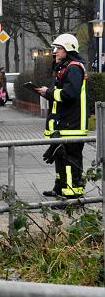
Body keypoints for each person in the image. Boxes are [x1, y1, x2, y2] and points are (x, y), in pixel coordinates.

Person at [37, 33, 88, 199]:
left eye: (59, 48)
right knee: (60, 158)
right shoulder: (67, 67)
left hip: (72, 125)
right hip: (65, 124)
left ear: (68, 49)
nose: (55, 52)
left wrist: (50, 92)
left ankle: (72, 193)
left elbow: (70, 94)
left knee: (70, 161)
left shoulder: (74, 68)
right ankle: (59, 188)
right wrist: (49, 93)